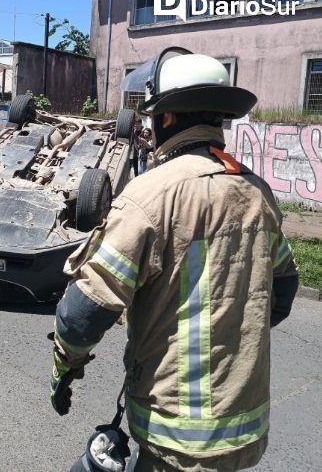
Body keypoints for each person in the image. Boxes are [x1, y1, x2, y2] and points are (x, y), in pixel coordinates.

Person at [50, 47, 299, 471]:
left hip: (176, 436)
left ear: (166, 118)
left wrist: (65, 366)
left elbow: (84, 312)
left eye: (152, 119)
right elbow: (284, 290)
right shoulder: (257, 192)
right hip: (245, 427)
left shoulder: (152, 194)